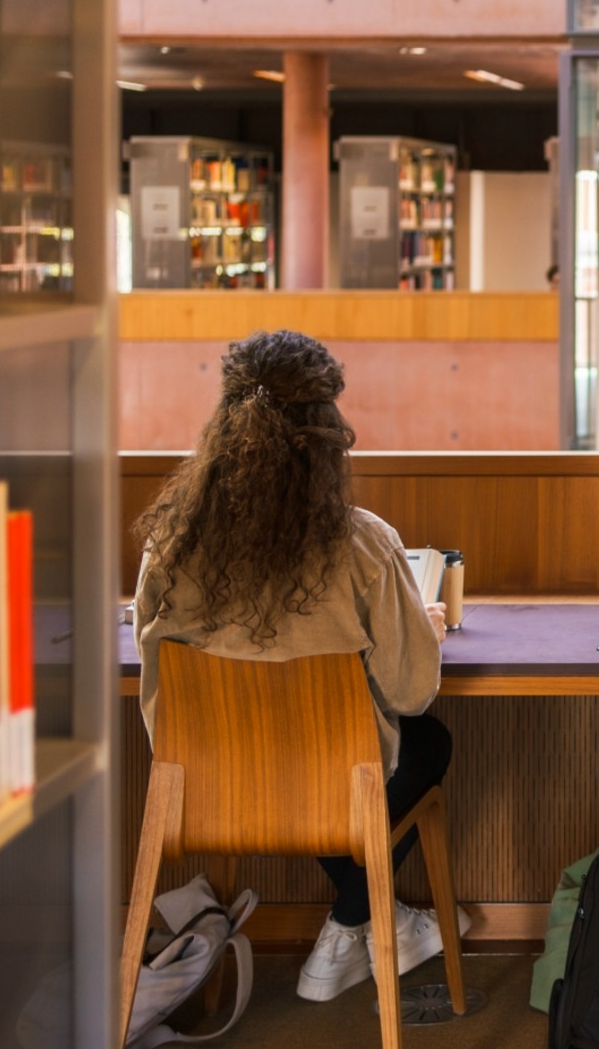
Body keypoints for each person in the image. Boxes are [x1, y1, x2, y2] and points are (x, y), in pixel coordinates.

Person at [132, 329, 469, 1003]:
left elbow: (153, 671)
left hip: (204, 785)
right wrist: (424, 630)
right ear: (327, 436)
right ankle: (354, 921)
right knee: (419, 743)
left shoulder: (170, 539)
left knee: (321, 746)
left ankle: (367, 921)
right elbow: (412, 692)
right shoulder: (363, 543)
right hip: (327, 789)